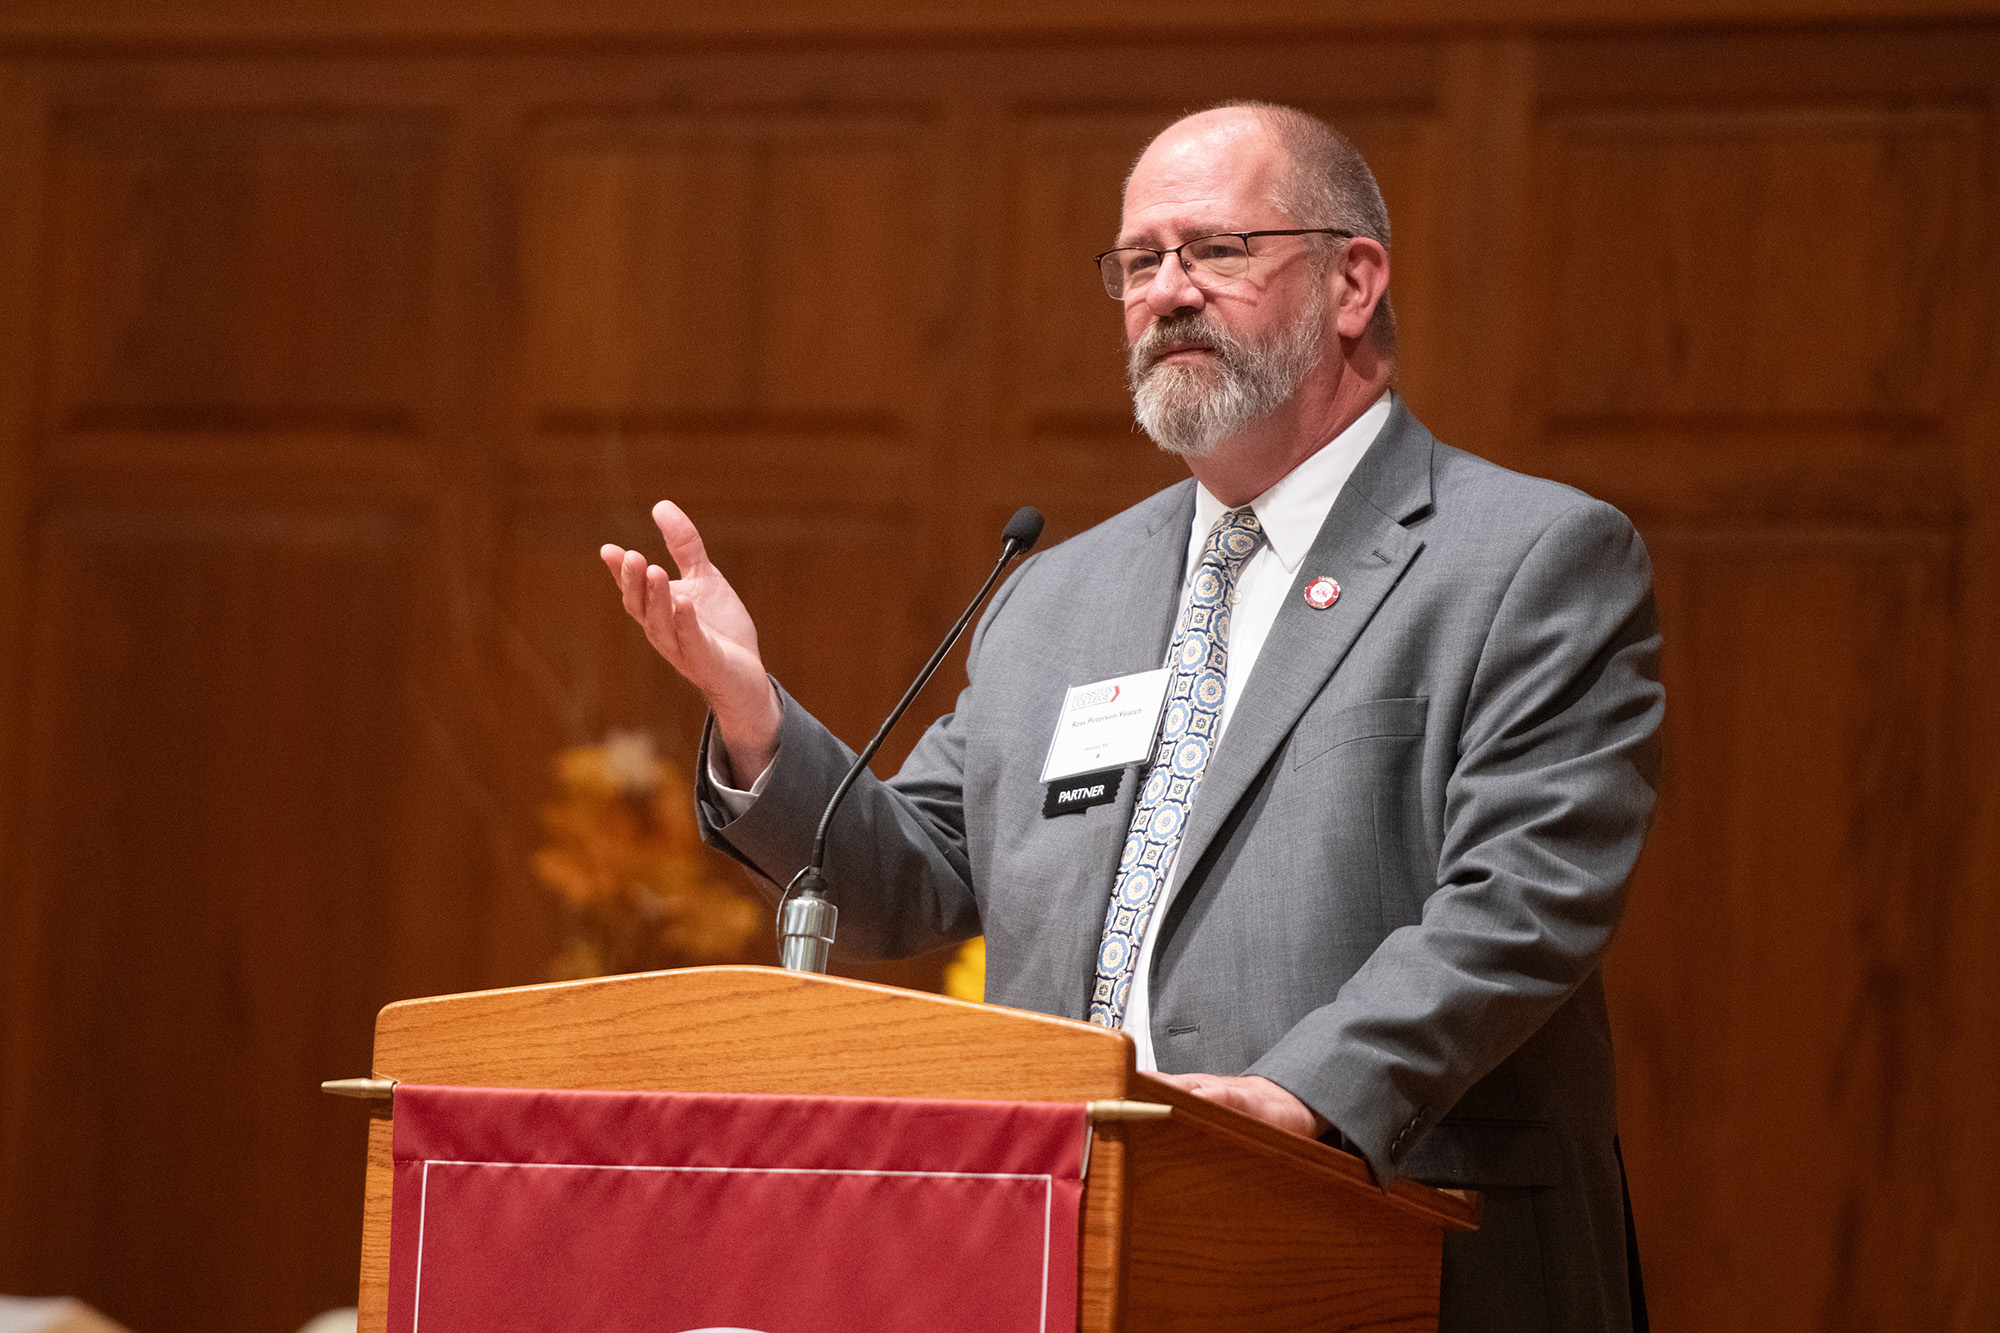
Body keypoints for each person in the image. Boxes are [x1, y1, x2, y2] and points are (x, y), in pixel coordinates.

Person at [603, 101, 1662, 1333]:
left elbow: (1522, 902)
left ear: (1351, 281)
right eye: (1137, 262)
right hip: (1070, 1249)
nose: (1166, 293)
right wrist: (753, 715)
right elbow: (916, 877)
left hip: (1392, 1242)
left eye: (1214, 251)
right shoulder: (1060, 594)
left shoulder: (1524, 557)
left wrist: (1292, 1095)